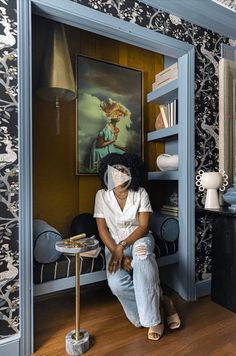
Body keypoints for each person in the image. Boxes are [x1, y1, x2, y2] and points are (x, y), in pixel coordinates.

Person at [93, 152, 181, 341]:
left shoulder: (140, 193)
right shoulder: (101, 195)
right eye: (114, 172)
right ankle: (161, 302)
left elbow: (143, 226)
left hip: (139, 239)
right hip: (113, 244)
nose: (118, 176)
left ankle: (154, 319)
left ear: (131, 173)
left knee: (142, 259)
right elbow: (102, 230)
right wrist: (120, 254)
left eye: (122, 171)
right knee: (116, 283)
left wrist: (122, 246)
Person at [89, 99, 130, 172]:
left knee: (123, 153)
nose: (118, 116)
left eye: (119, 114)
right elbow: (99, 145)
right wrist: (112, 141)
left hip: (108, 146)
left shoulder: (116, 129)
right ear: (110, 116)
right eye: (116, 114)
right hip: (100, 149)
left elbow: (112, 143)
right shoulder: (106, 129)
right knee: (116, 157)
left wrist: (121, 147)